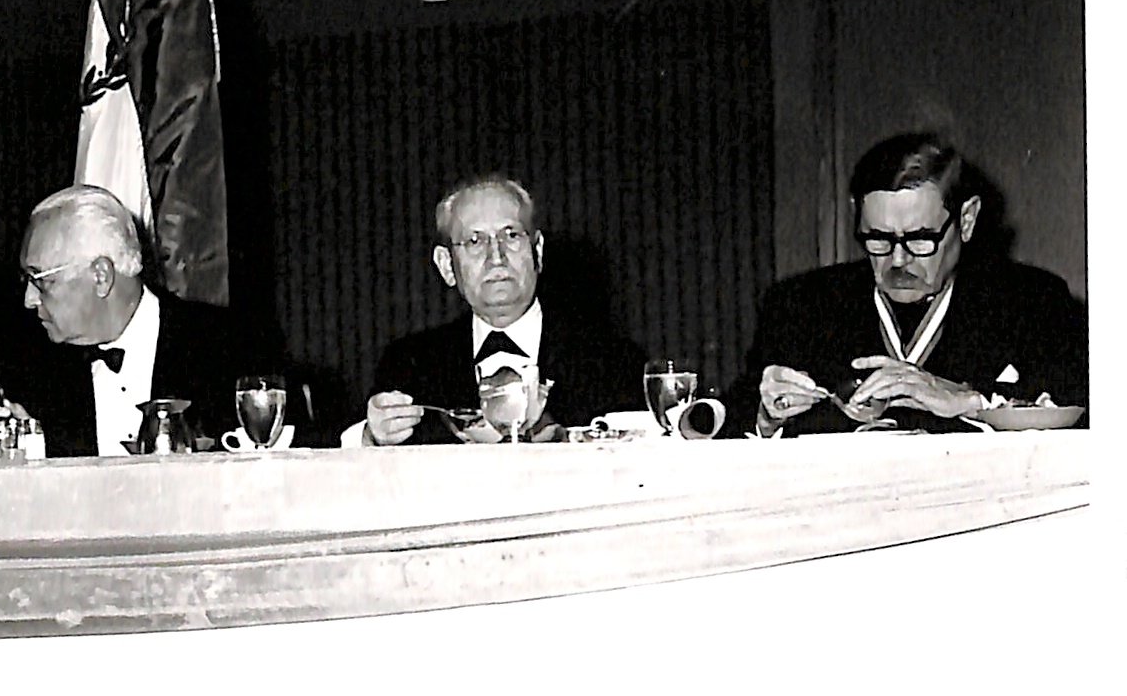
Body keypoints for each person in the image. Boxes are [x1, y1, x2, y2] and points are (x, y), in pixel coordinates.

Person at [730, 132, 1088, 436]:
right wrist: (767, 416)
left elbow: (1085, 408)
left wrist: (971, 401)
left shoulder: (1034, 302)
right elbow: (727, 418)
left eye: (920, 239)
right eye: (878, 238)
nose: (898, 261)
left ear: (966, 220)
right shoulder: (800, 304)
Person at [354, 174, 643, 446]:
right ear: (446, 266)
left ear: (538, 251)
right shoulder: (409, 366)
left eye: (512, 236)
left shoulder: (615, 361)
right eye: (475, 241)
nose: (496, 257)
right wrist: (372, 437)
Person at [10, 184, 263, 456]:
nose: (29, 299)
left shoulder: (232, 347)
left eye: (40, 281)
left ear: (101, 276)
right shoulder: (29, 370)